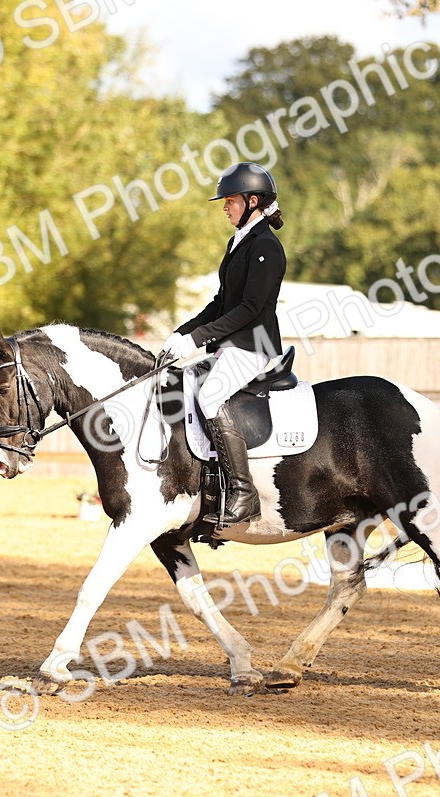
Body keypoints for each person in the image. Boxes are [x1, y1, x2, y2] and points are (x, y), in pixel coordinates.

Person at [161, 162, 287, 527]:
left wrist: (199, 340)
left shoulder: (265, 246)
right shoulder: (239, 242)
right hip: (231, 346)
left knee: (210, 396)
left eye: (230, 200)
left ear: (252, 201)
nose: (224, 207)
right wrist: (182, 334)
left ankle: (244, 493)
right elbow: (221, 303)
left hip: (254, 346)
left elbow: (249, 308)